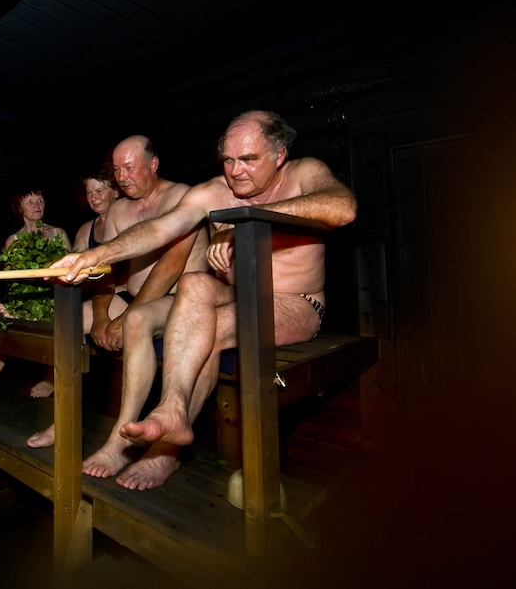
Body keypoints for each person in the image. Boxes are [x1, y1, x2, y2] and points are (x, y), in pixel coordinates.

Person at [52, 110, 357, 489]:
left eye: (249, 159)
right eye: (228, 160)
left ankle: (166, 452)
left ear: (279, 155)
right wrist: (93, 256)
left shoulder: (303, 173)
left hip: (296, 302)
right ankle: (173, 410)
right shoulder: (213, 191)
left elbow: (342, 207)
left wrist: (246, 219)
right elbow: (160, 228)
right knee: (195, 283)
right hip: (234, 293)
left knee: (212, 329)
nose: (236, 171)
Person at [24, 134, 210, 448]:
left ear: (153, 164)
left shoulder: (183, 198)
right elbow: (104, 271)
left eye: (129, 167)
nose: (122, 177)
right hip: (132, 300)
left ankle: (118, 443)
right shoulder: (119, 211)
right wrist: (99, 318)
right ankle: (66, 420)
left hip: (178, 303)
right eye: (117, 170)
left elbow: (171, 266)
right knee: (70, 318)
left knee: (136, 319)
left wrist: (124, 319)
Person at [0, 188, 68, 417]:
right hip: (25, 297)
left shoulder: (58, 233)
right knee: (4, 325)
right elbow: (13, 282)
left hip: (55, 296)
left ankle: (51, 378)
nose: (37, 205)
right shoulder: (12, 240)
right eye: (30, 201)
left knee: (58, 317)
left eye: (40, 200)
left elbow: (68, 273)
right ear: (19, 208)